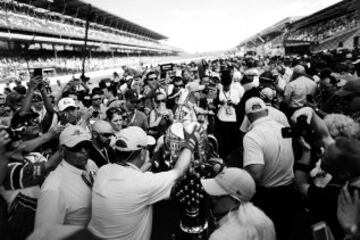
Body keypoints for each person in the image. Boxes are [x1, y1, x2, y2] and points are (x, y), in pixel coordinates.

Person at [88, 123, 201, 240]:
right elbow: (179, 171)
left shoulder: (103, 171)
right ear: (142, 153)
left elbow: (130, 176)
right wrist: (190, 143)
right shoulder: (143, 183)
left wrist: (151, 161)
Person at [242, 97, 296, 240]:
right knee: (284, 231)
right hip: (289, 190)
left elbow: (255, 174)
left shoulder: (252, 136)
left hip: (267, 196)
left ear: (248, 116)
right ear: (266, 111)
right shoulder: (283, 128)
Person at [34, 125, 98, 230]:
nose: (84, 151)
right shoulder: (54, 189)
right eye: (77, 147)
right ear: (62, 150)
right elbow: (45, 234)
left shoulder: (90, 164)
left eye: (86, 145)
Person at [201, 167, 276, 240]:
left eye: (217, 196)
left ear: (235, 201)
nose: (212, 199)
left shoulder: (219, 237)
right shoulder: (267, 222)